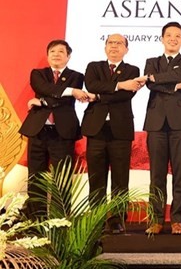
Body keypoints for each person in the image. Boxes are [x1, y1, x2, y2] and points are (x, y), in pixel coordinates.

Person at [19, 39, 89, 218]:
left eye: (61, 52)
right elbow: (43, 87)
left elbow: (62, 99)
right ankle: (36, 217)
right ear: (47, 55)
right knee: (36, 176)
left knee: (62, 178)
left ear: (68, 56)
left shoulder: (77, 76)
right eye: (53, 52)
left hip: (62, 132)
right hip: (38, 131)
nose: (56, 55)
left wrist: (42, 101)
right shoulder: (38, 74)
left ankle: (61, 218)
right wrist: (71, 91)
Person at [81, 34, 143, 234]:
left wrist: (100, 96)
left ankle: (117, 219)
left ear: (126, 49)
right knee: (96, 177)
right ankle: (97, 218)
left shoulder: (132, 70)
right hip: (96, 129)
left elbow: (126, 94)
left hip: (120, 129)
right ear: (105, 47)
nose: (114, 46)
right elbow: (91, 85)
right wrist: (119, 85)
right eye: (111, 43)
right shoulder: (93, 66)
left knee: (120, 177)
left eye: (119, 44)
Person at [142, 22, 181, 235]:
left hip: (180, 122)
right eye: (168, 35)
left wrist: (159, 78)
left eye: (177, 36)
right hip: (156, 122)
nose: (173, 39)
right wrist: (175, 85)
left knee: (180, 172)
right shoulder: (151, 62)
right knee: (156, 174)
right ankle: (156, 219)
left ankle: (177, 220)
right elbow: (149, 83)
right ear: (162, 38)